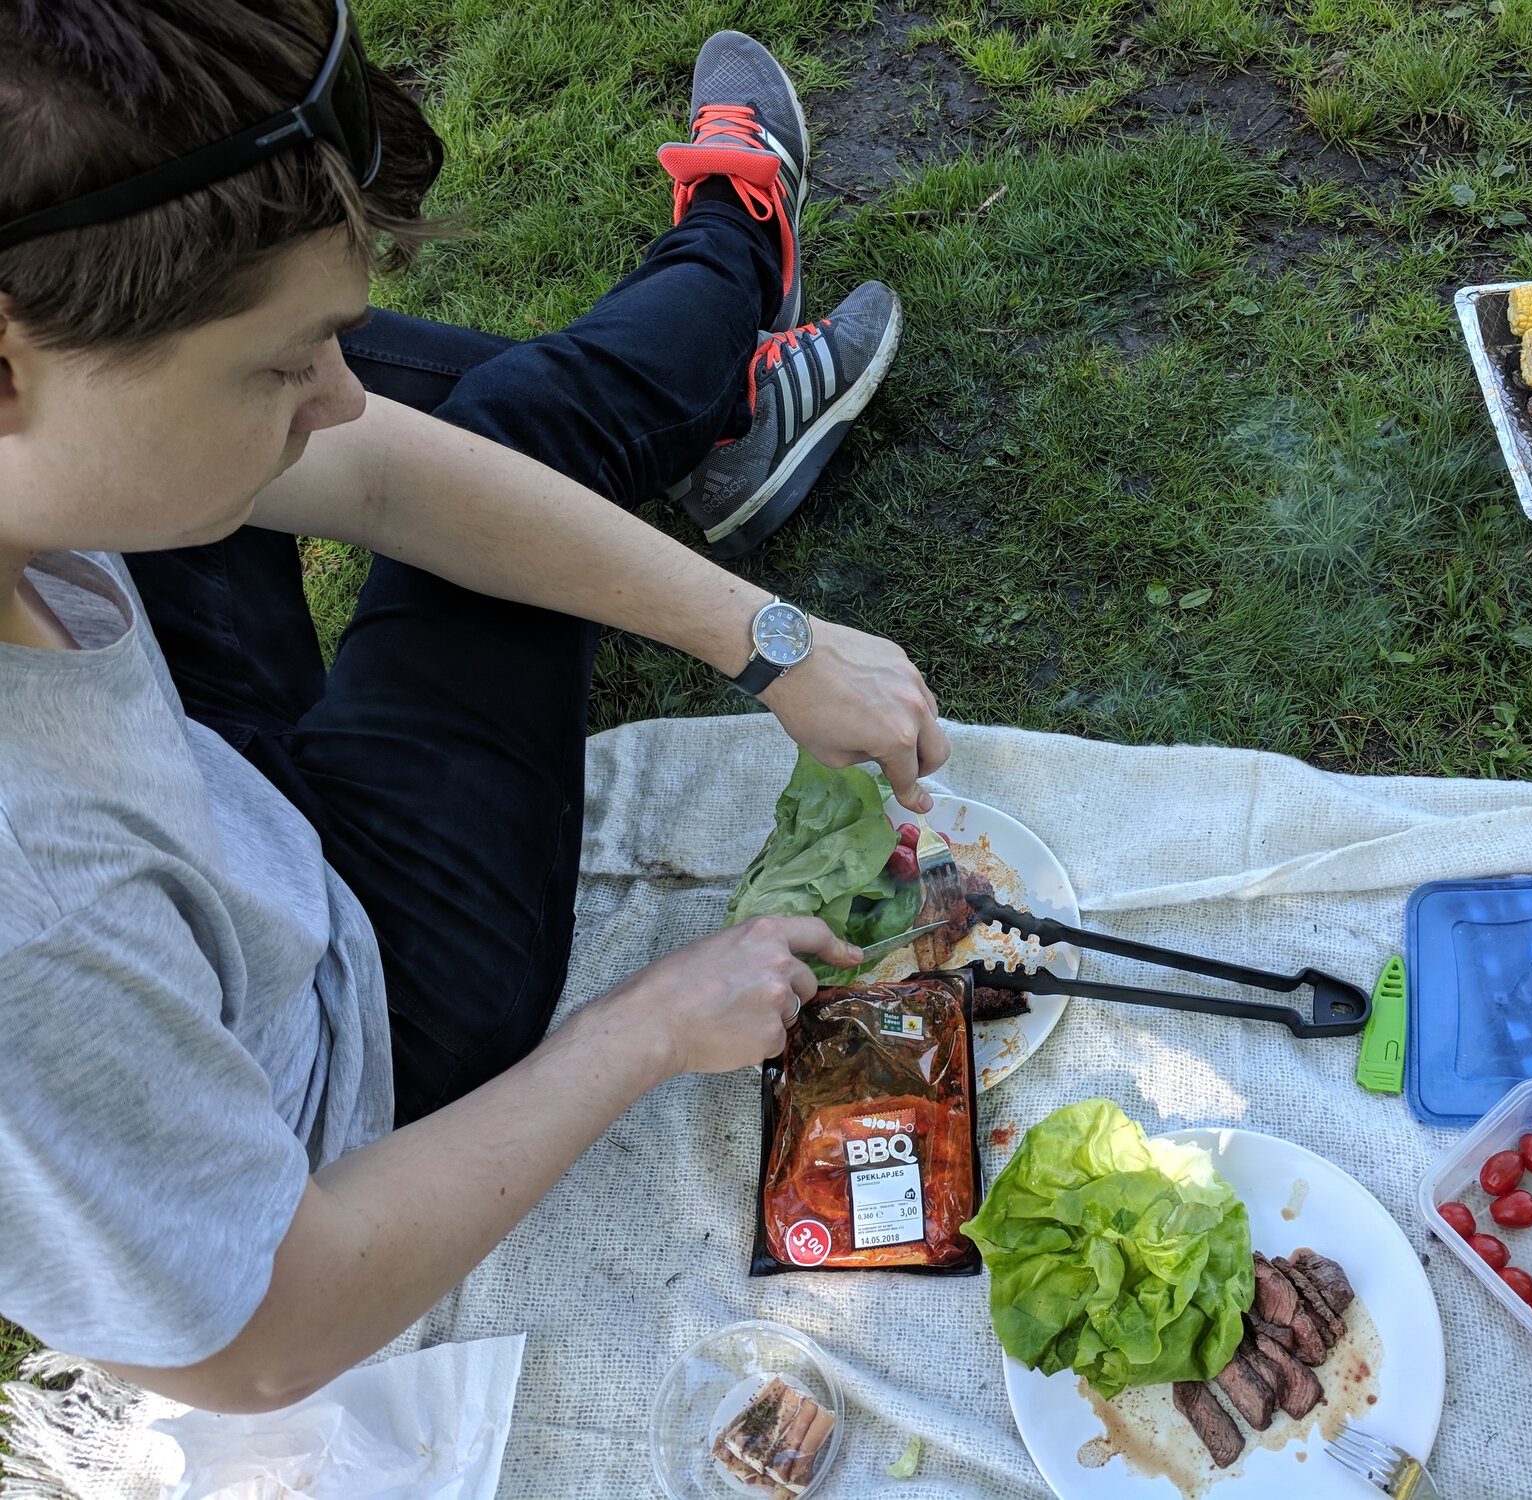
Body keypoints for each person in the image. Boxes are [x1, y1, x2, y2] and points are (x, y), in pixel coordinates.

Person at [0, 2, 948, 1412]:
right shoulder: (36, 922)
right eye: (282, 364)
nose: (339, 393)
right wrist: (650, 1026)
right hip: (379, 1033)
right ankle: (737, 260)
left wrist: (770, 641)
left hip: (219, 821)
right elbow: (254, 1335)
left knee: (456, 430)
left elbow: (379, 473)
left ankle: (717, 387)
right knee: (521, 417)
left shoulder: (56, 455)